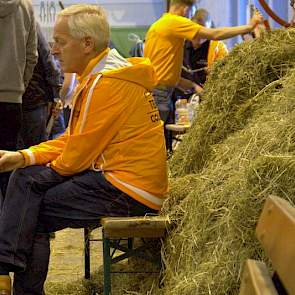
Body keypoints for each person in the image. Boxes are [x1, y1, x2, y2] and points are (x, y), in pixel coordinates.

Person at [0, 4, 168, 294]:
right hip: (131, 182)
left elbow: (74, 159)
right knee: (26, 187)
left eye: (61, 42)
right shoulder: (108, 75)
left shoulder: (104, 84)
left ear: (87, 44)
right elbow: (74, 140)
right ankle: (5, 270)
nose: (54, 50)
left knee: (30, 203)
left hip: (128, 189)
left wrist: (28, 165)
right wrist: (25, 156)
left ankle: (6, 270)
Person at [144, 0, 264, 129]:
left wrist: (193, 86)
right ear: (186, 10)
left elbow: (164, 71)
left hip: (153, 91)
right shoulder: (175, 22)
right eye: (192, 13)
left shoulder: (158, 25)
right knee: (157, 135)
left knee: (156, 134)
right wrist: (249, 26)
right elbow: (215, 34)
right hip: (161, 94)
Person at [0, 0, 37, 196]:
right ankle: (7, 223)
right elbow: (32, 55)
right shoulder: (25, 6)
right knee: (7, 165)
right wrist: (18, 86)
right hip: (11, 100)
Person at [19, 22, 62, 149]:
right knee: (36, 150)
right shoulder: (30, 23)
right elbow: (48, 62)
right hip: (34, 98)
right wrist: (55, 97)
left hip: (10, 98)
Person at [180, 8, 228, 92]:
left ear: (210, 30)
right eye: (196, 30)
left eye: (203, 30)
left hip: (209, 95)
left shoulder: (219, 48)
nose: (199, 35)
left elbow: (226, 76)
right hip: (182, 98)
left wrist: (215, 73)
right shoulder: (180, 45)